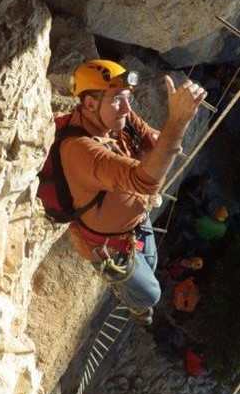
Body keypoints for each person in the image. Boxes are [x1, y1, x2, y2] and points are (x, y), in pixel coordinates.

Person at [61, 59, 207, 324]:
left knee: (149, 265)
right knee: (151, 294)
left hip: (137, 224)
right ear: (90, 104)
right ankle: (137, 305)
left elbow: (157, 140)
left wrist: (169, 133)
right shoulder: (80, 150)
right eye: (118, 99)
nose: (128, 108)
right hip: (107, 246)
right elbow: (145, 181)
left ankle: (134, 291)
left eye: (128, 98)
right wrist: (176, 122)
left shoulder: (120, 120)